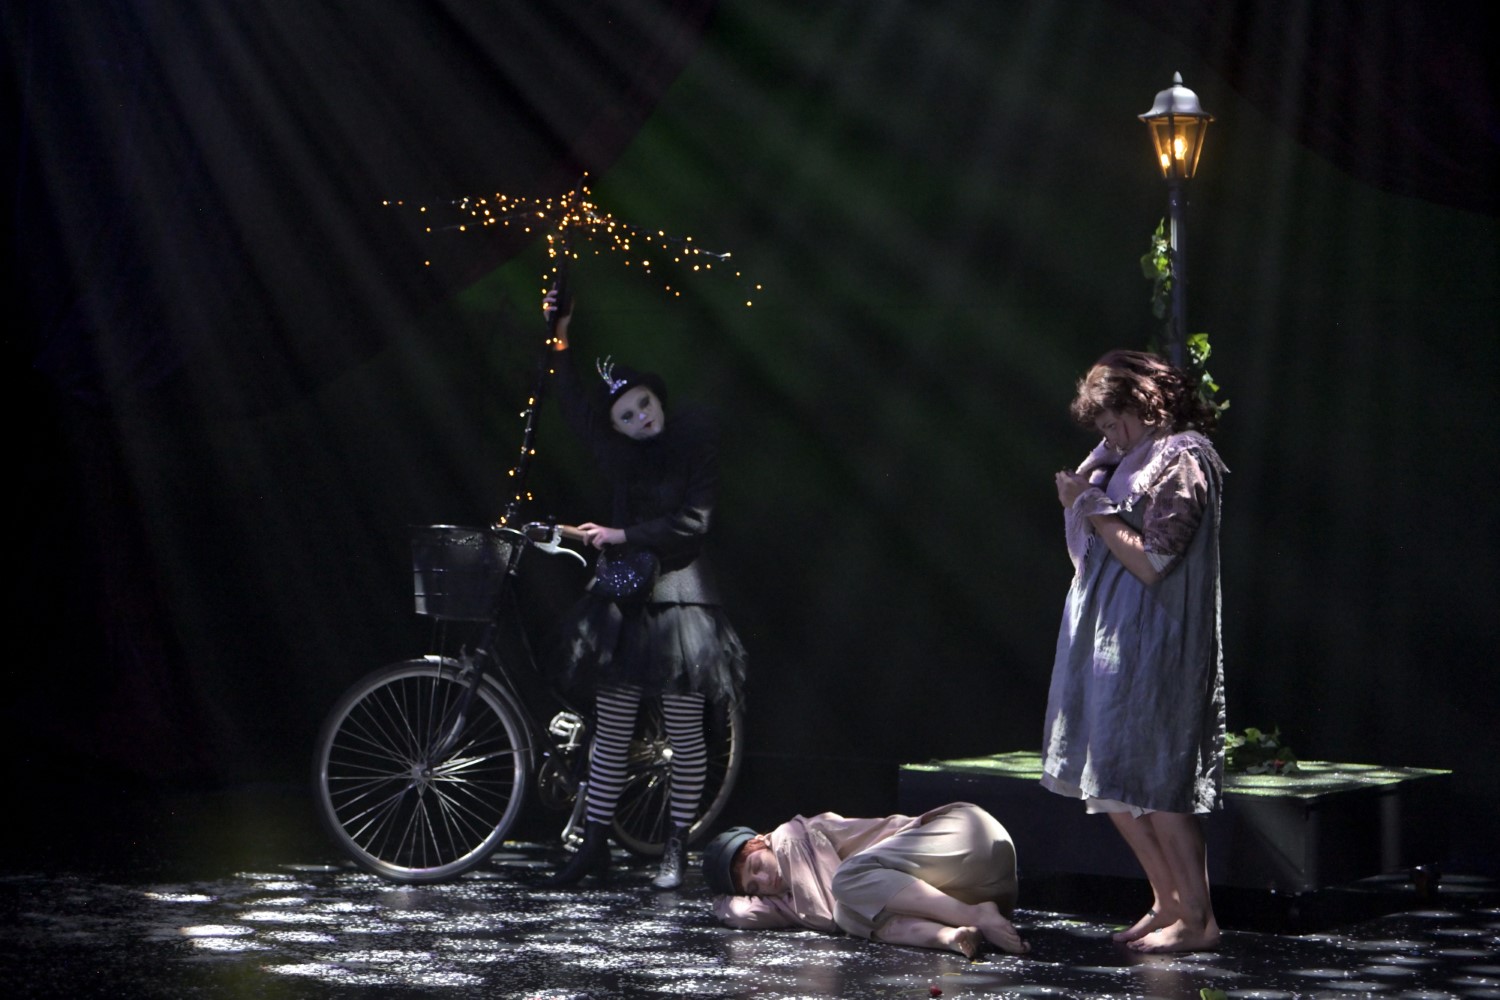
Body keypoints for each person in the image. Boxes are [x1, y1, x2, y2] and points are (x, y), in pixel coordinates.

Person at [538, 287, 746, 891]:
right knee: (612, 726)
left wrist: (622, 533)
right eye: (626, 416)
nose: (639, 418)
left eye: (644, 405)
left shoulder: (693, 445)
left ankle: (676, 844)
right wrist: (560, 337)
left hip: (680, 598)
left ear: (658, 399)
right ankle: (593, 845)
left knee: (683, 731)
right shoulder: (621, 457)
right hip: (627, 598)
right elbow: (574, 406)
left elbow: (693, 524)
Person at [1045, 349, 1228, 953]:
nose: (1110, 436)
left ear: (1144, 403)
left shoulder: (1182, 457)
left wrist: (1091, 506)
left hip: (1157, 638)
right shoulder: (1123, 460)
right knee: (1111, 779)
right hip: (1111, 638)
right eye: (1101, 427)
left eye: (1113, 421)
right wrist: (1089, 485)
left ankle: (1199, 920)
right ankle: (1168, 902)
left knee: (1159, 781)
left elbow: (1154, 560)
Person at [702, 802, 1028, 958]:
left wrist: (776, 909)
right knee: (850, 915)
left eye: (756, 865)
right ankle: (951, 935)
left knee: (845, 884)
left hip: (966, 836)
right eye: (755, 888)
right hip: (981, 886)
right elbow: (833, 914)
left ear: (761, 841)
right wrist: (727, 905)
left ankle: (975, 915)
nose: (765, 880)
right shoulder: (818, 893)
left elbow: (821, 914)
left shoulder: (788, 837)